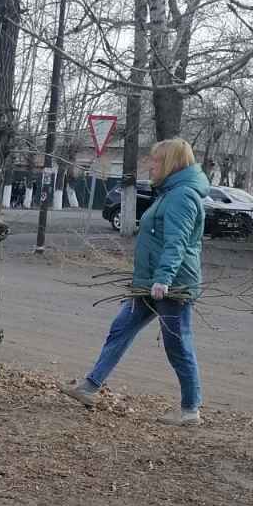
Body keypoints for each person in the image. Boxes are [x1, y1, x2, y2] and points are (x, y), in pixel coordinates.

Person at [65, 137, 209, 425]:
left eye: (155, 161)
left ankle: (190, 410)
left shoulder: (182, 196)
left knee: (178, 345)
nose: (150, 166)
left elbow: (177, 242)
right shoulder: (170, 192)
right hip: (150, 282)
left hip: (171, 286)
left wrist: (164, 279)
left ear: (170, 164)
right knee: (121, 328)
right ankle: (89, 387)